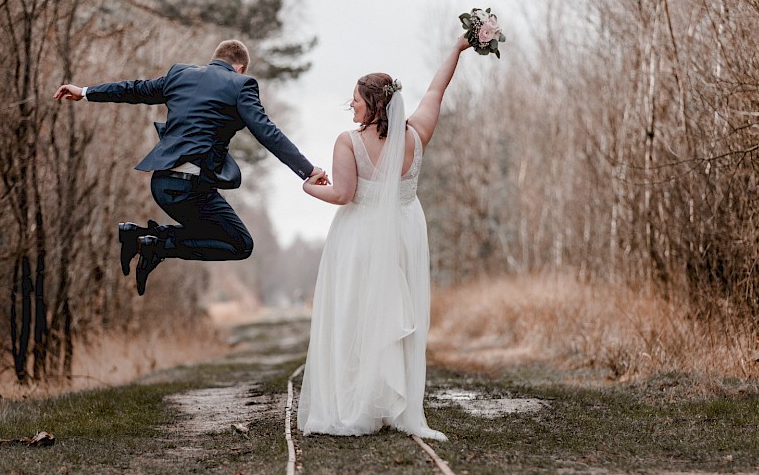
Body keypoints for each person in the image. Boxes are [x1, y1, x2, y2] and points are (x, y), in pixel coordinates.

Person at [297, 34, 471, 441]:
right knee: (395, 317)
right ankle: (394, 404)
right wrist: (457, 49)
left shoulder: (349, 141)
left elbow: (342, 194)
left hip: (360, 237)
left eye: (356, 99)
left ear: (374, 104)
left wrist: (308, 188)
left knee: (355, 316)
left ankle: (357, 405)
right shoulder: (416, 135)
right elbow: (436, 90)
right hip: (406, 233)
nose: (352, 105)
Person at [54, 39, 325, 295]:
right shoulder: (241, 85)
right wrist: (308, 170)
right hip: (191, 188)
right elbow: (268, 133)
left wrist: (86, 92)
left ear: (215, 58)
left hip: (161, 185)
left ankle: (143, 237)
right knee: (240, 244)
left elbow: (134, 89)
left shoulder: (180, 75)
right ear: (240, 68)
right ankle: (155, 244)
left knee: (211, 233)